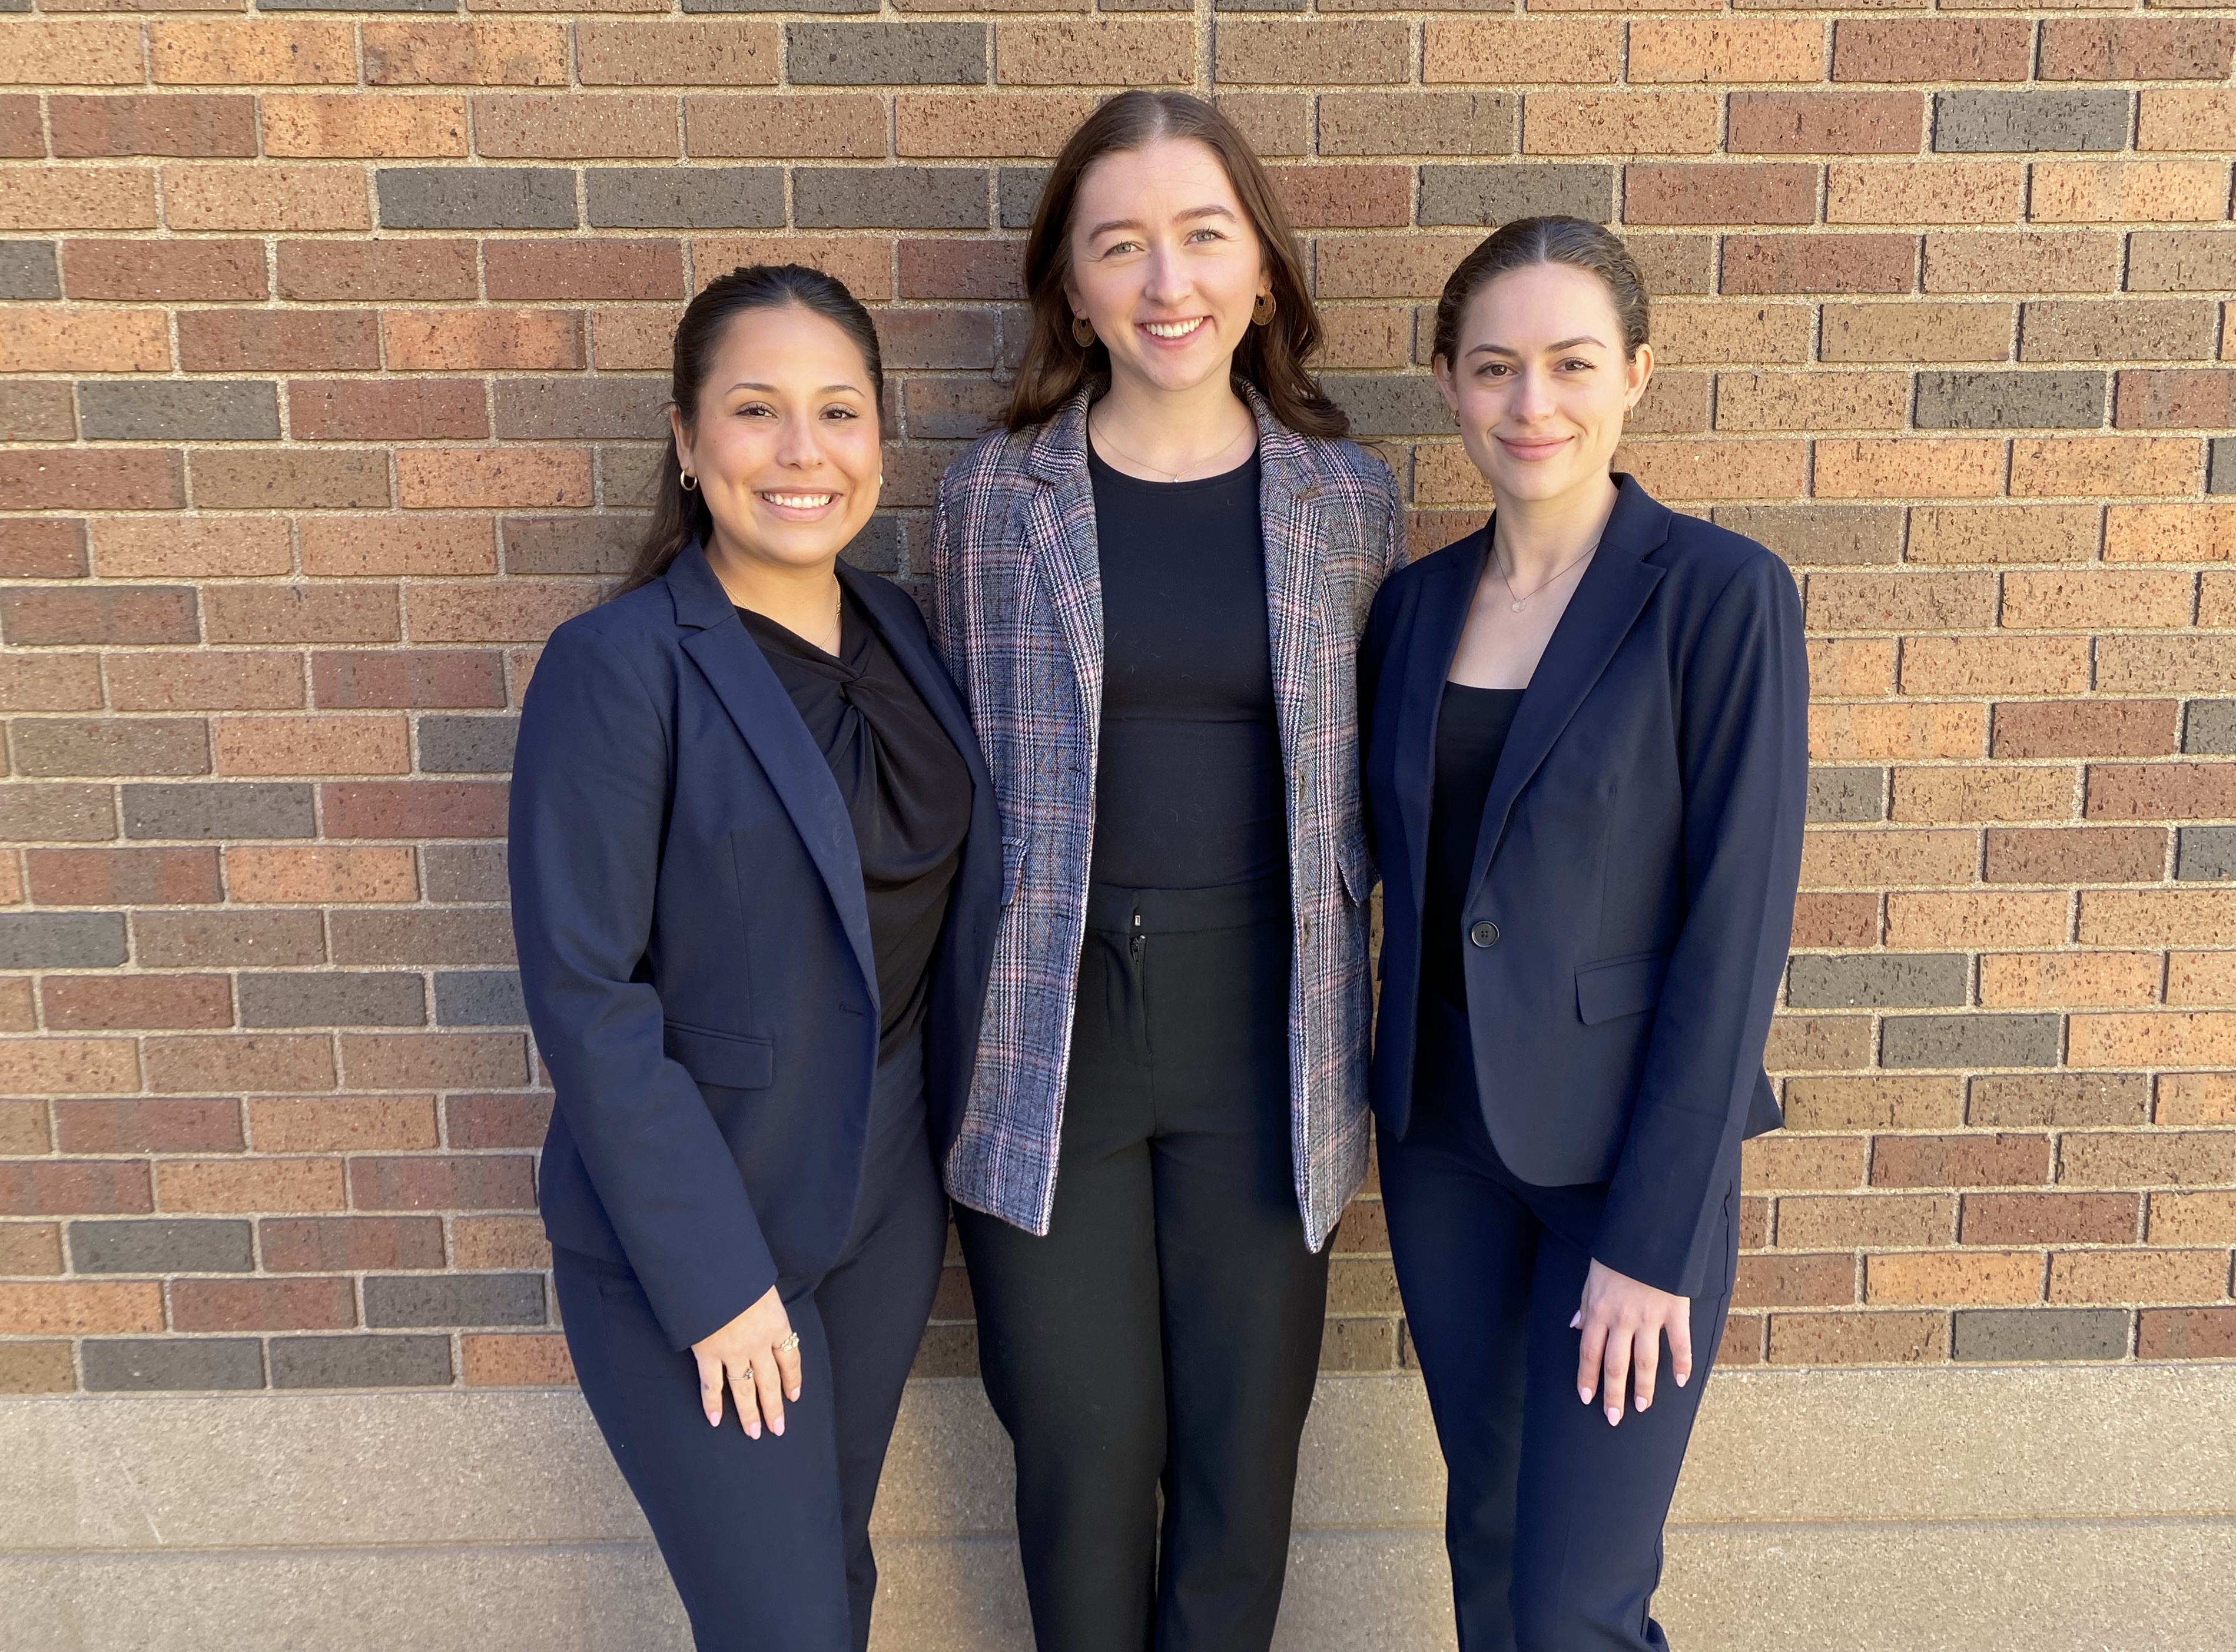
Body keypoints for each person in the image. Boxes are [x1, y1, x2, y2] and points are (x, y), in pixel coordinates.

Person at [928, 91, 1403, 1652]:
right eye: (1119, 245)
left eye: (1204, 236)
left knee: (1240, 1461)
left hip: (1267, 1021)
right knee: (1083, 1451)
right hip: (1047, 1024)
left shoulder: (1347, 501)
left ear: (1262, 269)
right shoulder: (992, 501)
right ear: (1071, 289)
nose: (1167, 281)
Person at [507, 263, 1002, 1652]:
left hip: (882, 1204)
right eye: (754, 410)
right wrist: (716, 1279)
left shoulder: (907, 632)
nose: (802, 451)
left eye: (838, 411)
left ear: (881, 441)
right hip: (701, 1228)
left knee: (829, 1585)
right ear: (685, 438)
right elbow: (588, 997)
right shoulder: (620, 665)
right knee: (782, 1625)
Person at [1358, 218, 1807, 1652]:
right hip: (1445, 1148)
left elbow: (1736, 935)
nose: (1530, 402)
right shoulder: (1413, 608)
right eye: (1494, 367)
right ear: (1448, 381)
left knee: (1577, 1605)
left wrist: (1653, 1238)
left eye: (1570, 363)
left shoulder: (1720, 596)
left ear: (1636, 377)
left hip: (1625, 1166)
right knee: (1490, 1548)